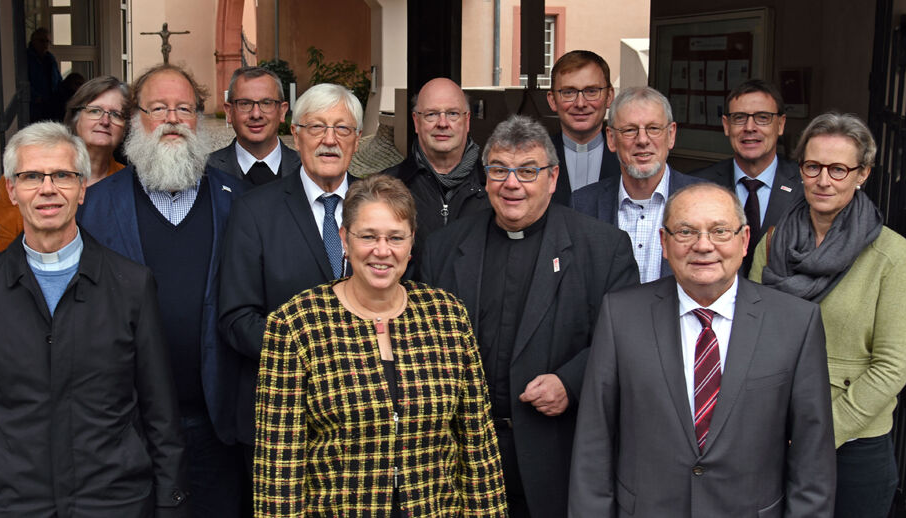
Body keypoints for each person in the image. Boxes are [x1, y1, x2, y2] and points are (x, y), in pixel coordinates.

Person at [0, 122, 188, 517]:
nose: (47, 188)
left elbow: (160, 412)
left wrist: (171, 502)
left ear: (82, 188)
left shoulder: (131, 285)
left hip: (114, 501)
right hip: (17, 503)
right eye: (30, 176)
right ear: (11, 190)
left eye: (62, 175)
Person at [415, 114, 640, 518]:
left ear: (553, 179)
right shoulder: (444, 247)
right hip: (461, 459)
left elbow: (624, 342)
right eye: (499, 169)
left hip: (554, 454)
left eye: (527, 171)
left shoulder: (604, 249)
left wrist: (570, 383)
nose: (511, 183)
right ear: (485, 178)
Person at [568, 182, 836, 517]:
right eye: (686, 232)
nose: (703, 245)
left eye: (720, 231)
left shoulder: (796, 322)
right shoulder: (621, 316)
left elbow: (813, 460)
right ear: (664, 243)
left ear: (744, 240)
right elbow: (595, 443)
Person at [254, 174, 507, 517]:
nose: (382, 251)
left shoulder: (447, 316)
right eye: (368, 236)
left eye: (395, 237)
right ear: (344, 239)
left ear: (411, 242)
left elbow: (478, 446)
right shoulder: (297, 324)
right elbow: (278, 467)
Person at [78, 63, 247, 516]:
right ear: (136, 120)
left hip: (216, 423)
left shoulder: (239, 200)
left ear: (200, 119)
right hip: (125, 428)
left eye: (184, 108)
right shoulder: (93, 207)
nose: (172, 119)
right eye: (158, 108)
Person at [751, 112, 906, 518]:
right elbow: (751, 333)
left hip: (852, 444)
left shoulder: (895, 258)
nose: (823, 180)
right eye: (813, 166)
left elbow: (892, 367)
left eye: (838, 169)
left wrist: (820, 431)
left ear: (862, 174)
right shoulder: (774, 241)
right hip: (774, 431)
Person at [218, 83, 364, 466]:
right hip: (283, 419)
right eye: (316, 127)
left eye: (342, 129)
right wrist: (315, 357)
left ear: (358, 140)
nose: (329, 140)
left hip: (368, 419)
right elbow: (236, 318)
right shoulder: (254, 212)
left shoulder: (381, 204)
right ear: (295, 135)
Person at [572, 86, 704, 283]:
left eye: (653, 128)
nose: (642, 140)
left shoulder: (705, 201)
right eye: (630, 130)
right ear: (611, 138)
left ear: (671, 134)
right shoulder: (582, 205)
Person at [0, 75, 131, 250]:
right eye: (95, 111)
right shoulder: (24, 179)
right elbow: (3, 249)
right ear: (75, 117)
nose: (105, 121)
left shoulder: (131, 184)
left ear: (125, 127)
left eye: (115, 114)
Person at [691, 79, 803, 275]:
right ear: (726, 125)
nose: (750, 127)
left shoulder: (805, 186)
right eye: (739, 118)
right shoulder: (697, 186)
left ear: (780, 124)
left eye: (762, 117)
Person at [379, 77, 486, 239]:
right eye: (432, 114)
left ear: (467, 120)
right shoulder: (385, 189)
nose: (443, 123)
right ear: (416, 121)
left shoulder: (495, 187)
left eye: (452, 114)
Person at [545, 50, 623, 204]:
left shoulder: (628, 160)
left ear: (609, 97)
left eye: (592, 91)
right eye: (568, 92)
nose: (580, 103)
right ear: (552, 100)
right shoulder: (534, 159)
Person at [207, 66, 301, 186]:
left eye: (266, 103)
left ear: (282, 111)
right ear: (229, 112)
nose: (256, 114)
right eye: (245, 104)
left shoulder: (307, 169)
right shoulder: (204, 172)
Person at [26, 28, 62, 122]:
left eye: (47, 41)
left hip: (51, 104)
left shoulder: (50, 58)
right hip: (33, 106)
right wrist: (36, 97)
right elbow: (23, 82)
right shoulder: (26, 58)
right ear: (33, 41)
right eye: (42, 41)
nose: (45, 45)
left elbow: (58, 78)